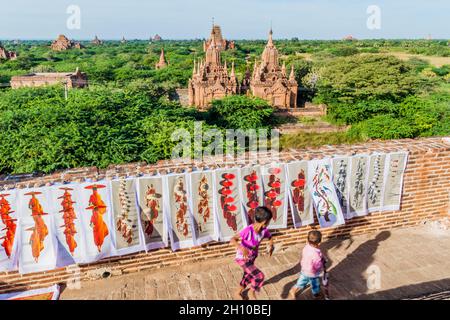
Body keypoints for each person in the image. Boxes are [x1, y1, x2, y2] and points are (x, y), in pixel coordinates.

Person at [230, 206, 274, 300]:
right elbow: (233, 239)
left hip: (252, 258)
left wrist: (271, 245)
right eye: (269, 221)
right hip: (242, 258)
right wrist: (241, 247)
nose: (268, 224)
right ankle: (251, 292)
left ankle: (237, 293)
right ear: (264, 221)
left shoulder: (264, 231)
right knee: (259, 276)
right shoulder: (248, 230)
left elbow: (270, 237)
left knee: (248, 276)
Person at [289, 230, 326, 299]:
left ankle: (293, 290)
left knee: (300, 282)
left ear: (308, 240)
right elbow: (317, 266)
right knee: (315, 284)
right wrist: (322, 264)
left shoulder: (306, 247)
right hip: (312, 273)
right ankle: (316, 295)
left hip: (304, 270)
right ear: (319, 243)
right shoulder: (316, 255)